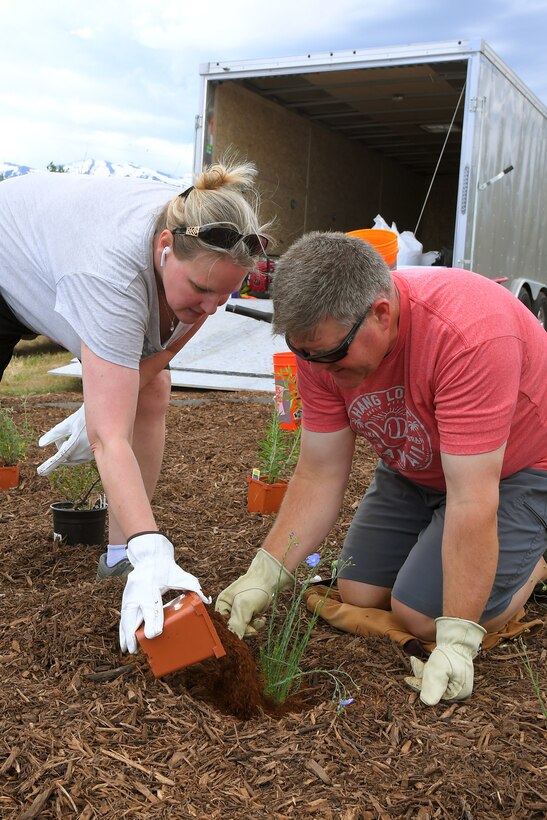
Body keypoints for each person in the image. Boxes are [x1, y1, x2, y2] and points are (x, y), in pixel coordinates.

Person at [216, 230, 547, 706]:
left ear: (382, 313)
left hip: (515, 470)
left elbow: (473, 499)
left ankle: (533, 563)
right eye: (305, 354)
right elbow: (319, 472)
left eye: (330, 356)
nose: (319, 369)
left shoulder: (468, 336)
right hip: (418, 463)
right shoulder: (321, 344)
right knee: (359, 590)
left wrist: (456, 640)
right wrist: (263, 575)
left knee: (422, 616)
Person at [0, 158, 268, 653]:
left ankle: (122, 553)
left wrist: (103, 407)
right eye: (204, 291)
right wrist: (102, 421)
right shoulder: (110, 275)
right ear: (164, 249)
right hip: (9, 251)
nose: (212, 309)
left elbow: (163, 355)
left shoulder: (201, 242)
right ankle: (141, 550)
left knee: (155, 388)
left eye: (226, 295)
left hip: (62, 253)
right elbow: (110, 438)